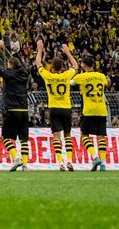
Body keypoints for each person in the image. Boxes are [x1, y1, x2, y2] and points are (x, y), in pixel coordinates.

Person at [35, 39, 78, 171]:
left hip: (53, 108)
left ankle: (60, 163)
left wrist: (40, 49)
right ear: (62, 66)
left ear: (52, 67)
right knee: (67, 135)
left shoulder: (48, 76)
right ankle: (70, 160)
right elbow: (75, 66)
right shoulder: (66, 75)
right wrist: (68, 52)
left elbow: (37, 64)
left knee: (56, 137)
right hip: (66, 108)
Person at [0, 39, 32, 171]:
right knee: (23, 138)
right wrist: (16, 53)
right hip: (24, 109)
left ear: (10, 66)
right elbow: (24, 66)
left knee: (6, 137)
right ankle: (25, 165)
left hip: (11, 109)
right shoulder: (25, 74)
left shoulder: (8, 74)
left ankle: (16, 158)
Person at [70, 50, 110, 171]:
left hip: (88, 110)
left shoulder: (81, 77)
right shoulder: (101, 76)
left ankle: (94, 156)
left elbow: (70, 83)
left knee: (84, 135)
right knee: (101, 136)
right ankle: (103, 163)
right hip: (102, 109)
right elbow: (106, 84)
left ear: (83, 65)